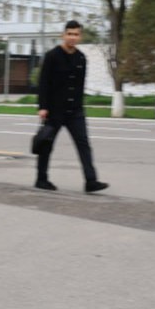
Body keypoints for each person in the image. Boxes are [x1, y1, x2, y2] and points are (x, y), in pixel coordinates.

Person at [35, 20, 108, 193]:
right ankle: (41, 179)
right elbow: (43, 83)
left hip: (75, 111)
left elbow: (80, 85)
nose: (72, 37)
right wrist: (43, 107)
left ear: (80, 36)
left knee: (84, 144)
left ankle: (91, 181)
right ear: (63, 35)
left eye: (76, 34)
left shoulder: (81, 58)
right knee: (47, 144)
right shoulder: (52, 56)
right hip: (54, 110)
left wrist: (80, 106)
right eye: (69, 34)